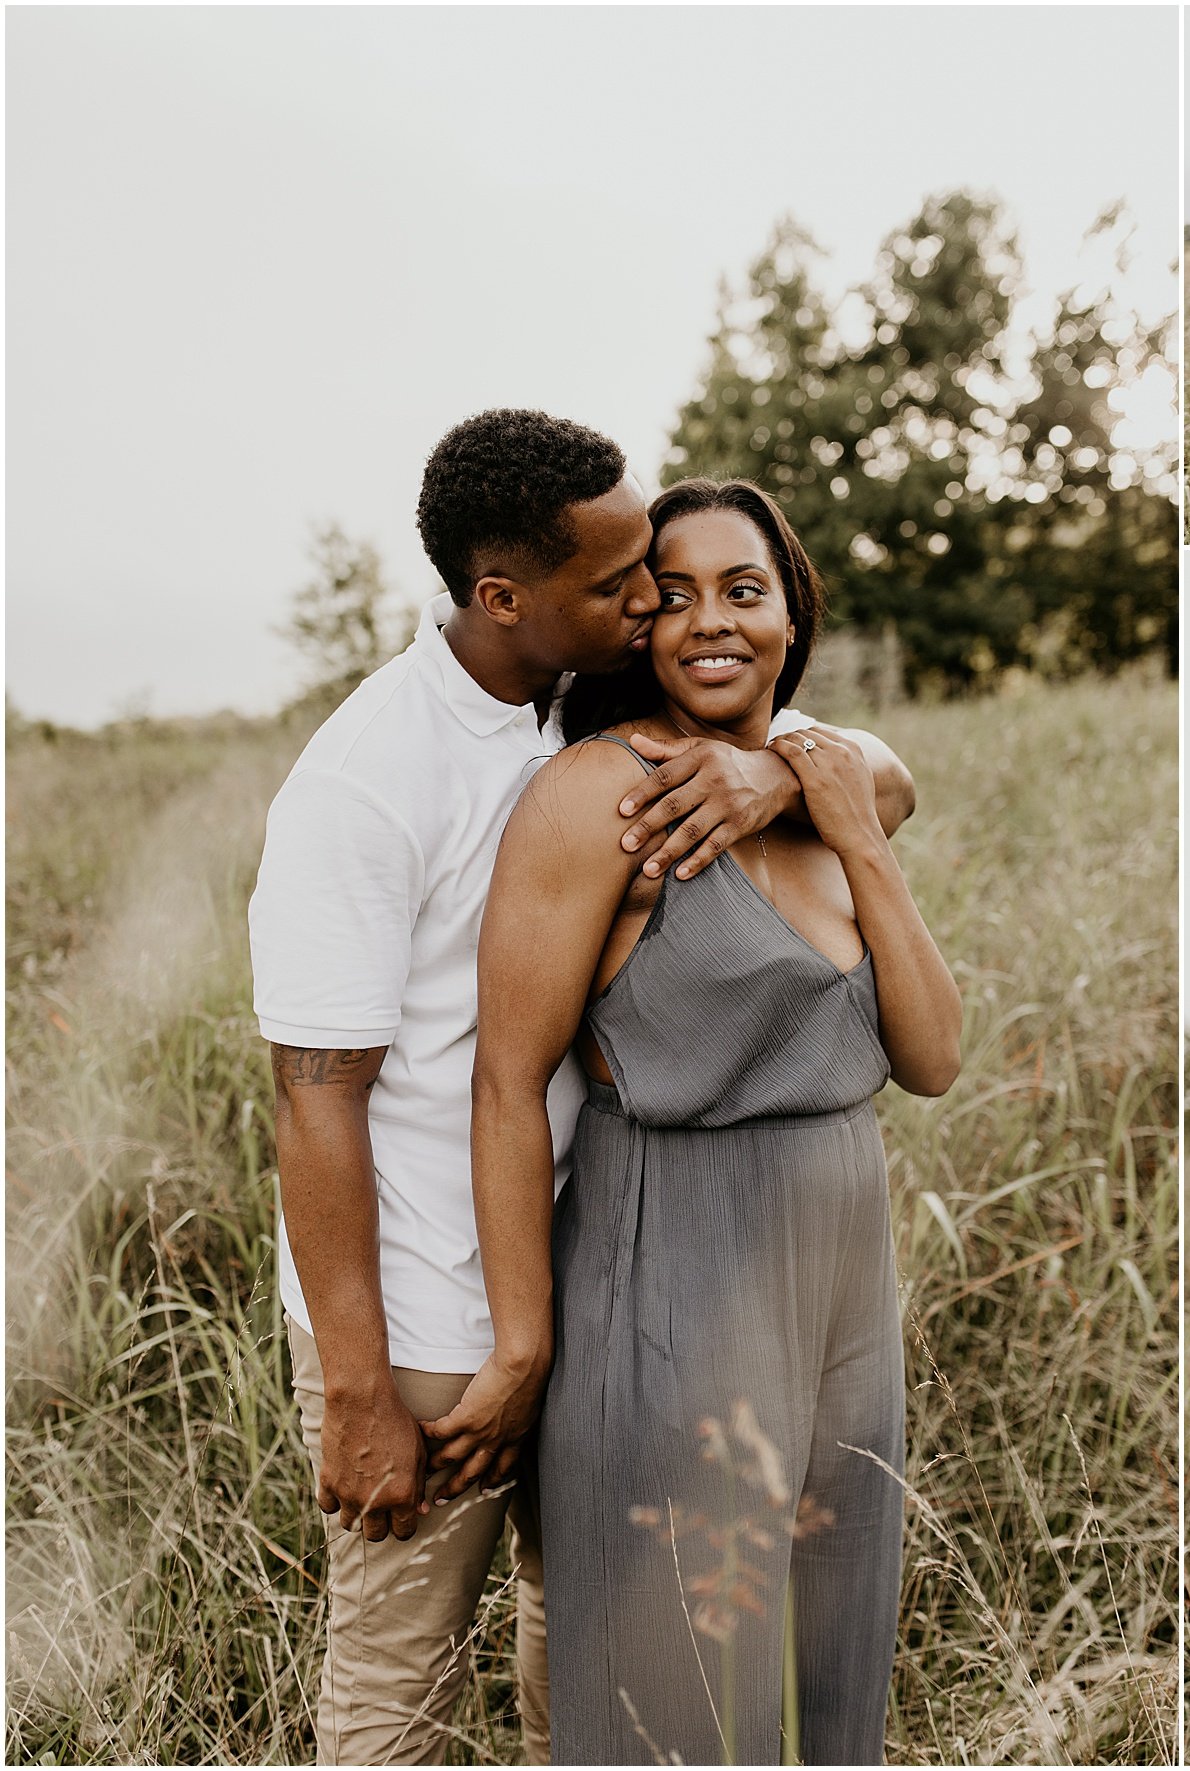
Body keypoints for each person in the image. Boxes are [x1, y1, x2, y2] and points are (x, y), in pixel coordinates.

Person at [248, 410, 914, 1765]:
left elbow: (879, 772)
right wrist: (365, 1388)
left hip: (602, 1267)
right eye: (621, 584)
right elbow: (314, 1099)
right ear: (504, 597)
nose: (648, 605)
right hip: (430, 1308)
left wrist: (769, 768)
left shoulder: (575, 688)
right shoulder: (367, 781)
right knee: (398, 1667)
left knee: (602, 1622)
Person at [429, 477, 961, 1764]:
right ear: (635, 629)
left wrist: (834, 814)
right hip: (670, 1262)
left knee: (825, 1661)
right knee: (679, 1682)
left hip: (842, 1270)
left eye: (743, 590)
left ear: (792, 612)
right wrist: (520, 1342)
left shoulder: (825, 778)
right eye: (670, 599)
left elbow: (932, 1058)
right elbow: (506, 1083)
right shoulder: (595, 797)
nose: (708, 623)